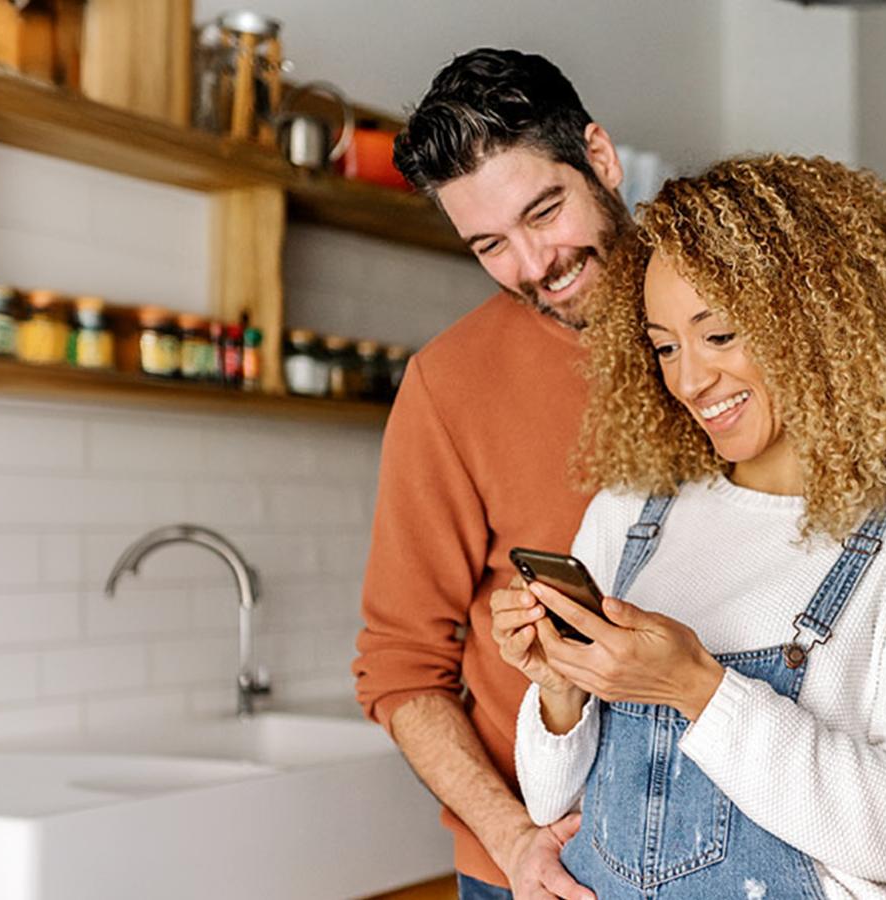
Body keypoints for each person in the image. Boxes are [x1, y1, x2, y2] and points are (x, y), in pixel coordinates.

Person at [491, 155, 886, 898]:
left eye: (720, 336)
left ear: (821, 325)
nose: (689, 380)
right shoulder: (628, 514)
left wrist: (699, 689)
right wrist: (558, 694)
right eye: (664, 345)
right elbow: (555, 809)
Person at [353, 47, 632, 900]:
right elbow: (401, 668)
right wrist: (514, 844)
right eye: (489, 245)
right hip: (541, 873)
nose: (533, 264)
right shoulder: (449, 384)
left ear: (601, 160)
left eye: (544, 212)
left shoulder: (726, 329)